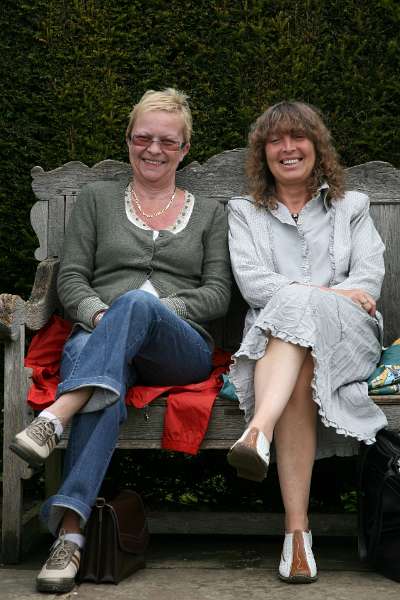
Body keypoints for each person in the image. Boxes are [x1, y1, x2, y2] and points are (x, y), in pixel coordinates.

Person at [10, 88, 231, 593]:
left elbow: (217, 294)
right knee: (102, 384)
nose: (153, 149)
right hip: (97, 337)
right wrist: (102, 314)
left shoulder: (210, 213)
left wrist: (151, 313)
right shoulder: (96, 200)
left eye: (167, 142)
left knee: (136, 304)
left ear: (184, 149)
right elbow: (70, 281)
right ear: (129, 140)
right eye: (142, 138)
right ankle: (69, 535)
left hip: (178, 350)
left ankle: (56, 416)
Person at [226, 101, 387, 583]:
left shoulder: (352, 208)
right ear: (263, 153)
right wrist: (330, 293)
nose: (287, 148)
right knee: (298, 368)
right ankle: (297, 536)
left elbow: (368, 286)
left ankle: (259, 430)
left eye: (298, 137)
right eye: (275, 140)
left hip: (349, 337)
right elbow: (254, 285)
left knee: (296, 308)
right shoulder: (244, 213)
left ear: (317, 147)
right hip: (281, 348)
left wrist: (313, 297)